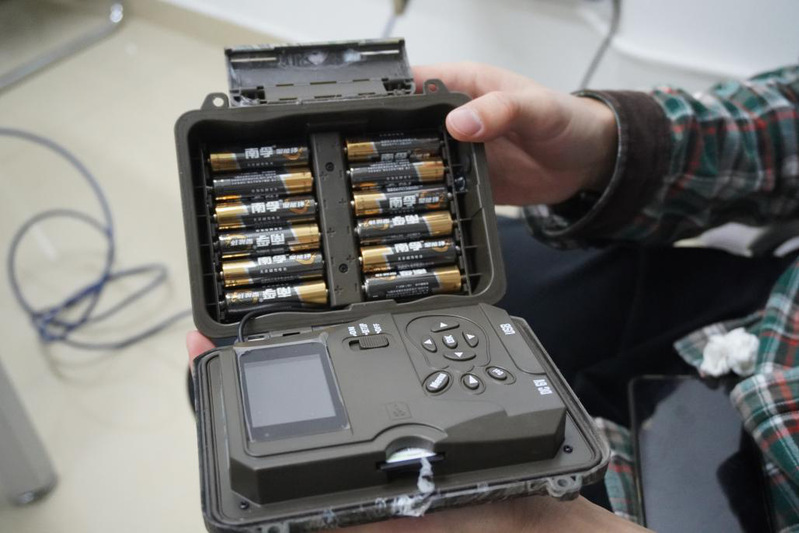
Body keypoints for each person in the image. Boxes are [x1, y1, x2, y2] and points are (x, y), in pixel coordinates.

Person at [188, 61, 799, 531]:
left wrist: (552, 524)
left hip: (740, 491)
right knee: (245, 361)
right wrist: (611, 145)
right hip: (771, 311)